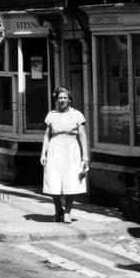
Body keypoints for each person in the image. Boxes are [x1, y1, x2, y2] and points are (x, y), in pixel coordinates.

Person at [40, 86, 89, 224]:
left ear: (69, 99)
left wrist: (85, 155)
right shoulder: (51, 115)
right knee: (53, 181)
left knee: (71, 181)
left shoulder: (77, 115)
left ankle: (67, 212)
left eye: (65, 98)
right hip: (55, 150)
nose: (62, 100)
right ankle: (58, 210)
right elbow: (46, 136)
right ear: (56, 99)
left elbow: (82, 135)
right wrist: (43, 153)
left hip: (72, 150)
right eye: (60, 98)